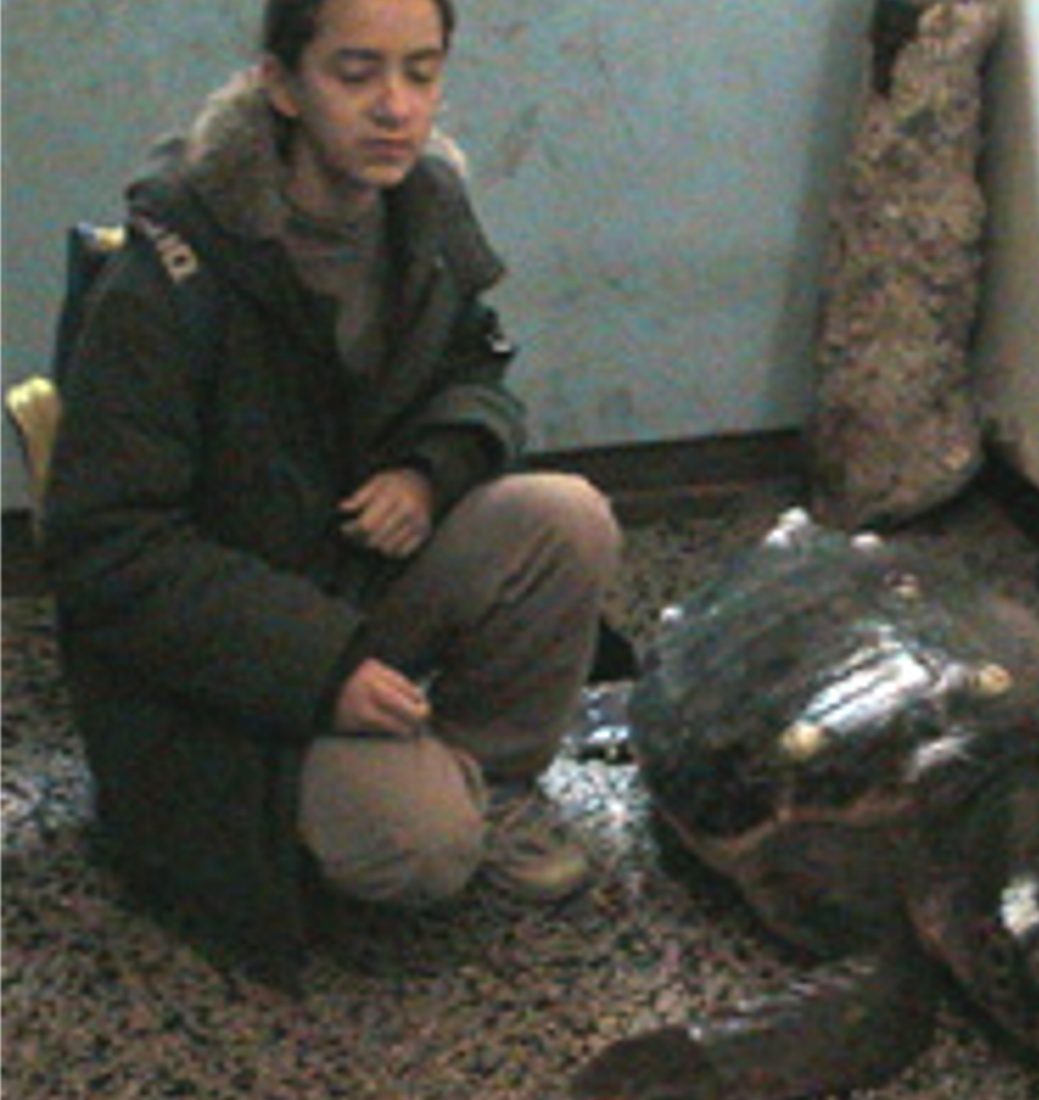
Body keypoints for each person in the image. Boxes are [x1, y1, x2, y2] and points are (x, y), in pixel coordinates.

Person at [44, 0, 621, 970]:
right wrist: (320, 665)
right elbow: (108, 548)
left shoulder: (421, 215)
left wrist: (428, 470)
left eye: (421, 72)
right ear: (282, 84)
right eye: (356, 74)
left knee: (565, 518)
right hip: (212, 672)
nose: (396, 107)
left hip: (344, 586)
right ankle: (381, 800)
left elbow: (474, 374)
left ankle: (490, 778)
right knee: (424, 847)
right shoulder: (170, 281)